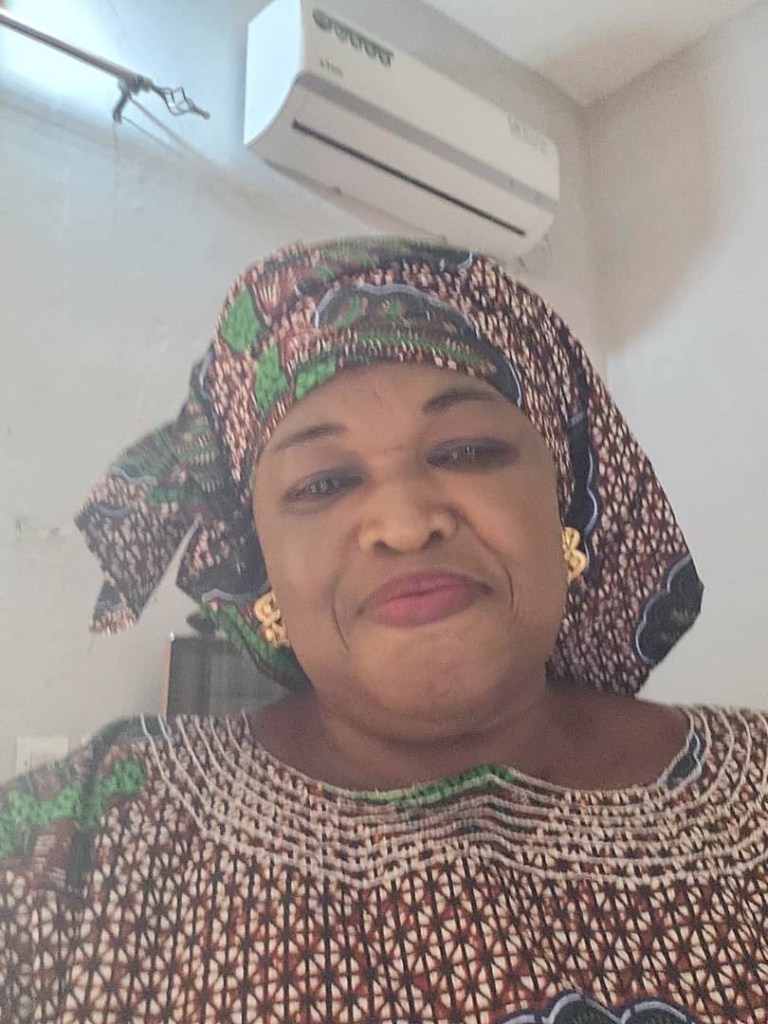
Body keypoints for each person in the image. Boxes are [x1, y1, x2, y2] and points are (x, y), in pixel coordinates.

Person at [0, 237, 764, 1023]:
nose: (403, 524)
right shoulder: (82, 845)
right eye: (323, 482)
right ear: (260, 562)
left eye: (468, 450)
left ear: (564, 496)